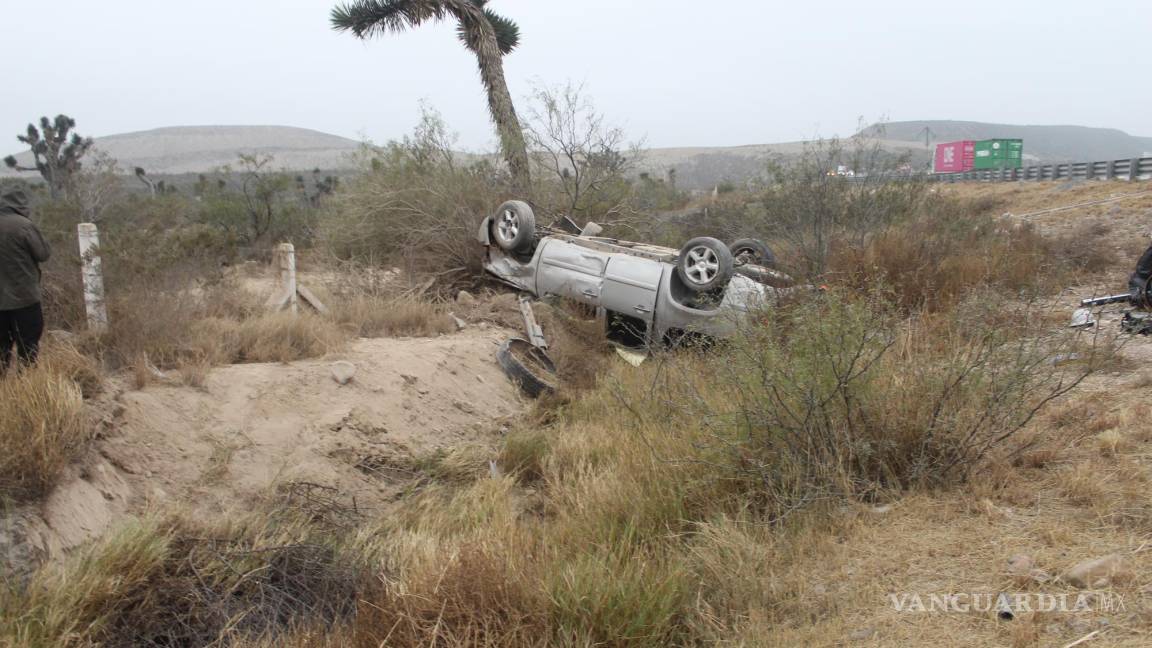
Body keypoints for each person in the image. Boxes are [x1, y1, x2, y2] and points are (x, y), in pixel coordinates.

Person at [0, 189, 51, 371]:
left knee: (2, 349)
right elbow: (43, 254)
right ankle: (26, 386)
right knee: (28, 346)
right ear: (21, 207)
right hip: (24, 297)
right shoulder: (24, 225)